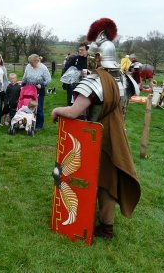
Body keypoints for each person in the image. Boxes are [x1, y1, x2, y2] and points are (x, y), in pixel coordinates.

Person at [51, 17, 141, 239]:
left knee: (84, 177)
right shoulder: (126, 79)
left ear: (98, 57)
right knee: (108, 181)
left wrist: (56, 111)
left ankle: (84, 218)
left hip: (95, 138)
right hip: (119, 134)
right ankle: (106, 225)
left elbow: (73, 112)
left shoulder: (94, 81)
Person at [21, 54, 51, 131]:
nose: (30, 65)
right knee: (28, 106)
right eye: (29, 63)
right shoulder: (28, 66)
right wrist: (22, 85)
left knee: (39, 107)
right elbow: (25, 76)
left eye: (32, 63)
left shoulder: (43, 68)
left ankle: (39, 125)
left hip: (39, 90)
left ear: (36, 61)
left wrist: (42, 85)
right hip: (29, 89)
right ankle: (28, 122)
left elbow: (48, 79)